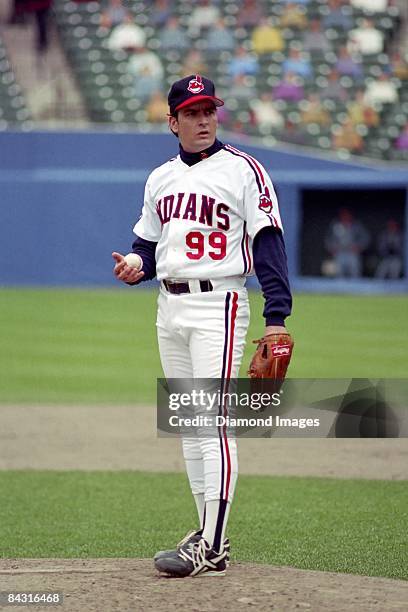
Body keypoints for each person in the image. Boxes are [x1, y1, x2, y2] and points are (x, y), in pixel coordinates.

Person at [112, 74, 292, 577]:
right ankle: (208, 532)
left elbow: (269, 240)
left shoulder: (244, 170)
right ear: (172, 122)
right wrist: (134, 265)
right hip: (169, 306)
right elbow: (148, 244)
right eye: (191, 113)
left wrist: (277, 316)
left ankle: (211, 545)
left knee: (212, 422)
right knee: (190, 424)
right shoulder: (160, 178)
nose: (203, 119)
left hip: (221, 303)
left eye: (208, 110)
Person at [325, 208, 370, 278]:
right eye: (343, 215)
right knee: (338, 273)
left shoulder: (356, 226)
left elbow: (365, 238)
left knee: (355, 272)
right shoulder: (335, 225)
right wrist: (331, 248)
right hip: (339, 252)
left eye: (347, 215)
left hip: (352, 253)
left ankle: (355, 287)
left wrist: (359, 247)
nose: (345, 217)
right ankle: (339, 287)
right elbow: (328, 239)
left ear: (350, 216)